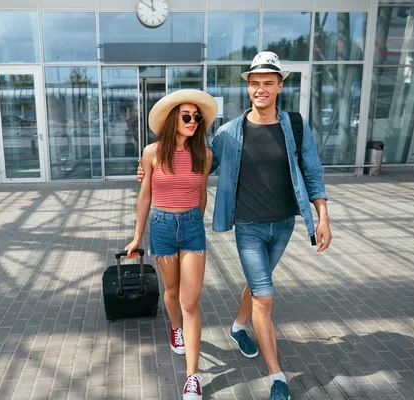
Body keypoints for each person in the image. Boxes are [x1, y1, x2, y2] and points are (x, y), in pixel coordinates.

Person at [137, 51, 333, 400]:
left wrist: (323, 218)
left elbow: (313, 173)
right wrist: (148, 170)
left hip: (284, 224)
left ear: (279, 86)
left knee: (259, 287)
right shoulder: (230, 133)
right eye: (255, 83)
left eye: (268, 83)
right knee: (264, 295)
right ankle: (277, 377)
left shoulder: (296, 127)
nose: (261, 89)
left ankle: (237, 326)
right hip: (247, 226)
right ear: (248, 87)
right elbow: (196, 162)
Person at [125, 89, 217, 400]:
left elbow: (202, 192)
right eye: (186, 116)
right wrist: (138, 236)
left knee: (191, 301)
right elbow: (145, 195)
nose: (193, 121)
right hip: (162, 227)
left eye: (197, 117)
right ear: (172, 120)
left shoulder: (204, 154)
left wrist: (197, 221)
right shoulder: (151, 152)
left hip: (192, 228)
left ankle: (192, 376)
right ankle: (175, 328)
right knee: (173, 291)